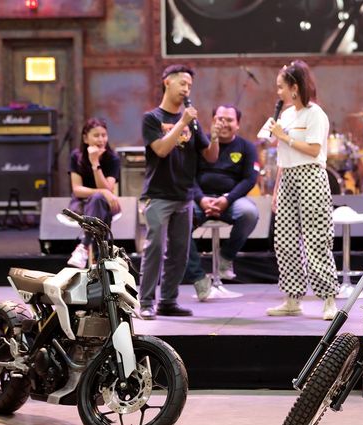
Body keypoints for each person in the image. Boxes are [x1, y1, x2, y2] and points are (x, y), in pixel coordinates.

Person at [138, 64, 216, 320]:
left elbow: (210, 156)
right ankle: (146, 301)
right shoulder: (152, 118)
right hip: (159, 194)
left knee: (179, 252)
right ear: (167, 82)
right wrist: (182, 121)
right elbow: (161, 150)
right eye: (182, 83)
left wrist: (214, 137)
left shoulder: (193, 123)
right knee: (155, 248)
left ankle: (168, 301)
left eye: (189, 86)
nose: (186, 89)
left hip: (184, 196)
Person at [265, 60, 338, 321]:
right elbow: (283, 156)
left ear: (294, 87)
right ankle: (292, 299)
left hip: (310, 176)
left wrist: (283, 136)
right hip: (287, 177)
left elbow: (314, 149)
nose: (279, 92)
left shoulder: (314, 113)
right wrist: (276, 189)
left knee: (316, 239)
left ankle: (328, 299)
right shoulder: (285, 115)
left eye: (281, 87)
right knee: (284, 240)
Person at [184, 105, 259, 284]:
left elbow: (249, 179)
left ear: (238, 124)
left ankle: (226, 257)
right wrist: (201, 199)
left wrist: (227, 199)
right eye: (220, 119)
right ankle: (196, 272)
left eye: (230, 120)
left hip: (232, 201)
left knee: (249, 213)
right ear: (212, 121)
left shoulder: (247, 147)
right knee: (179, 216)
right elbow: (187, 175)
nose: (224, 123)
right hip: (200, 200)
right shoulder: (199, 143)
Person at [66, 117, 121, 268]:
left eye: (104, 135)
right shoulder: (76, 156)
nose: (101, 139)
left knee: (98, 201)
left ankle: (83, 246)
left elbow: (108, 189)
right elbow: (77, 190)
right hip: (81, 204)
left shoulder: (113, 158)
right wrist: (102, 191)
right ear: (85, 138)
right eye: (96, 135)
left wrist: (95, 163)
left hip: (106, 204)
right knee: (98, 200)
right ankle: (101, 256)